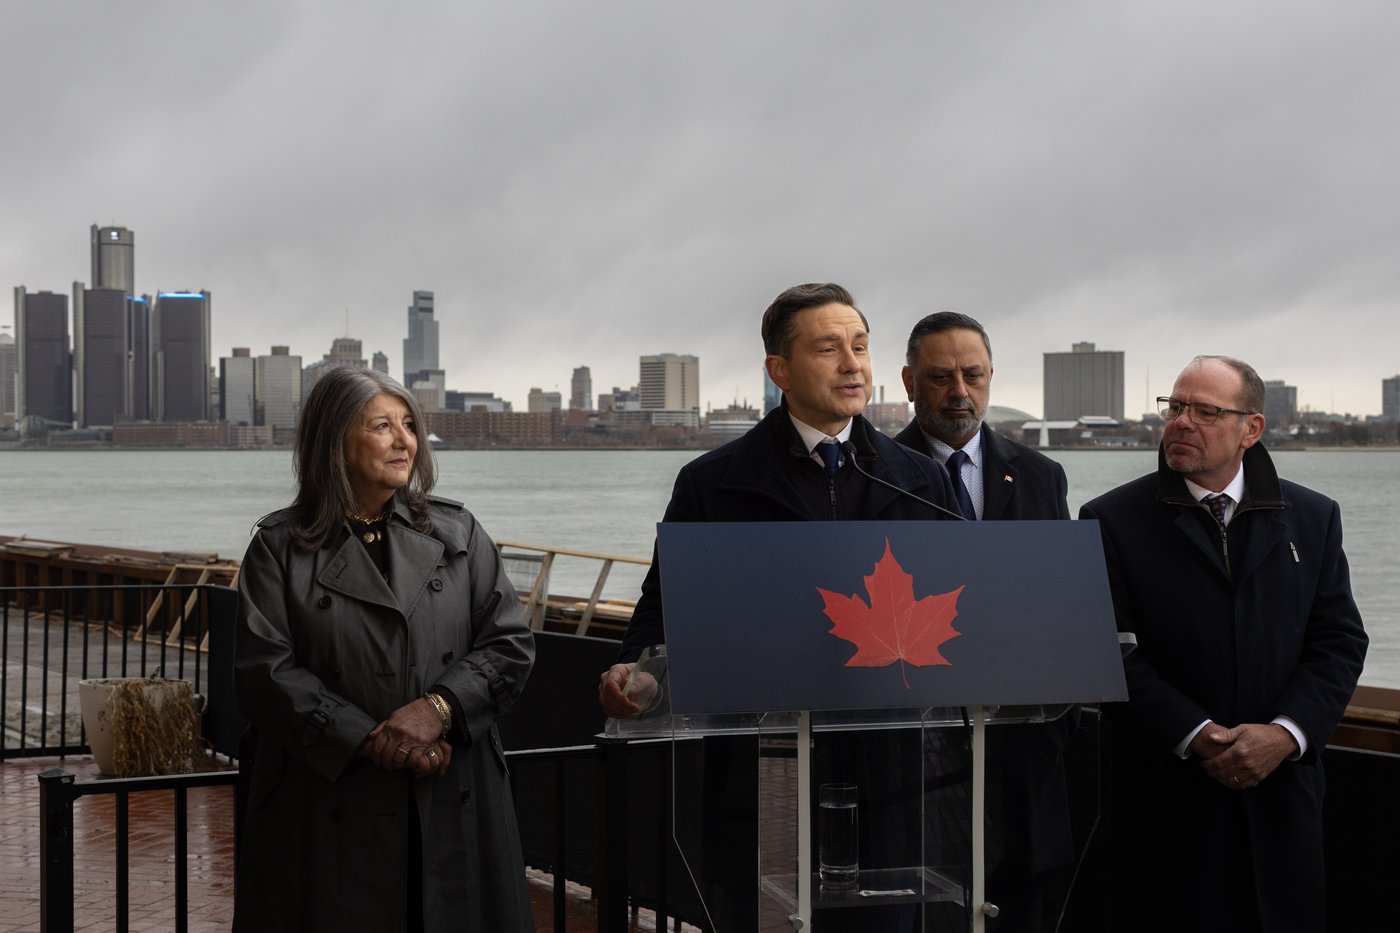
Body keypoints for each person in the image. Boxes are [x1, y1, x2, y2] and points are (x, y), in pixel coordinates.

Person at [597, 283, 958, 932]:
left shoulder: (919, 480)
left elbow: (960, 609)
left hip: (892, 777)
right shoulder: (714, 483)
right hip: (764, 775)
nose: (853, 364)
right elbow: (661, 609)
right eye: (828, 347)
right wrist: (639, 671)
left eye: (861, 346)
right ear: (779, 370)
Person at [233, 368, 536, 933]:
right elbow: (263, 673)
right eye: (382, 425)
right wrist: (373, 740)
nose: (404, 441)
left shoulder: (460, 534)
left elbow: (510, 643)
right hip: (326, 807)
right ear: (334, 440)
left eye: (408, 425)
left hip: (453, 798)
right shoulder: (277, 549)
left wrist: (437, 711)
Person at [1080, 355, 1366, 933]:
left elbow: (1338, 639)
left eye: (1205, 411)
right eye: (1175, 407)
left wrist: (1285, 735)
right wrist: (1199, 734)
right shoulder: (1110, 519)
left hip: (1281, 802)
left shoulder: (1312, 517)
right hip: (1167, 801)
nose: (1182, 422)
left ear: (1250, 429)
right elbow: (1106, 650)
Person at [893, 311, 1075, 932]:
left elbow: (1056, 601)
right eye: (941, 378)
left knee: (1022, 903)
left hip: (1022, 746)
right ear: (909, 381)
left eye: (973, 375)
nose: (959, 392)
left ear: (991, 375)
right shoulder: (874, 474)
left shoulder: (1041, 475)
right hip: (916, 745)